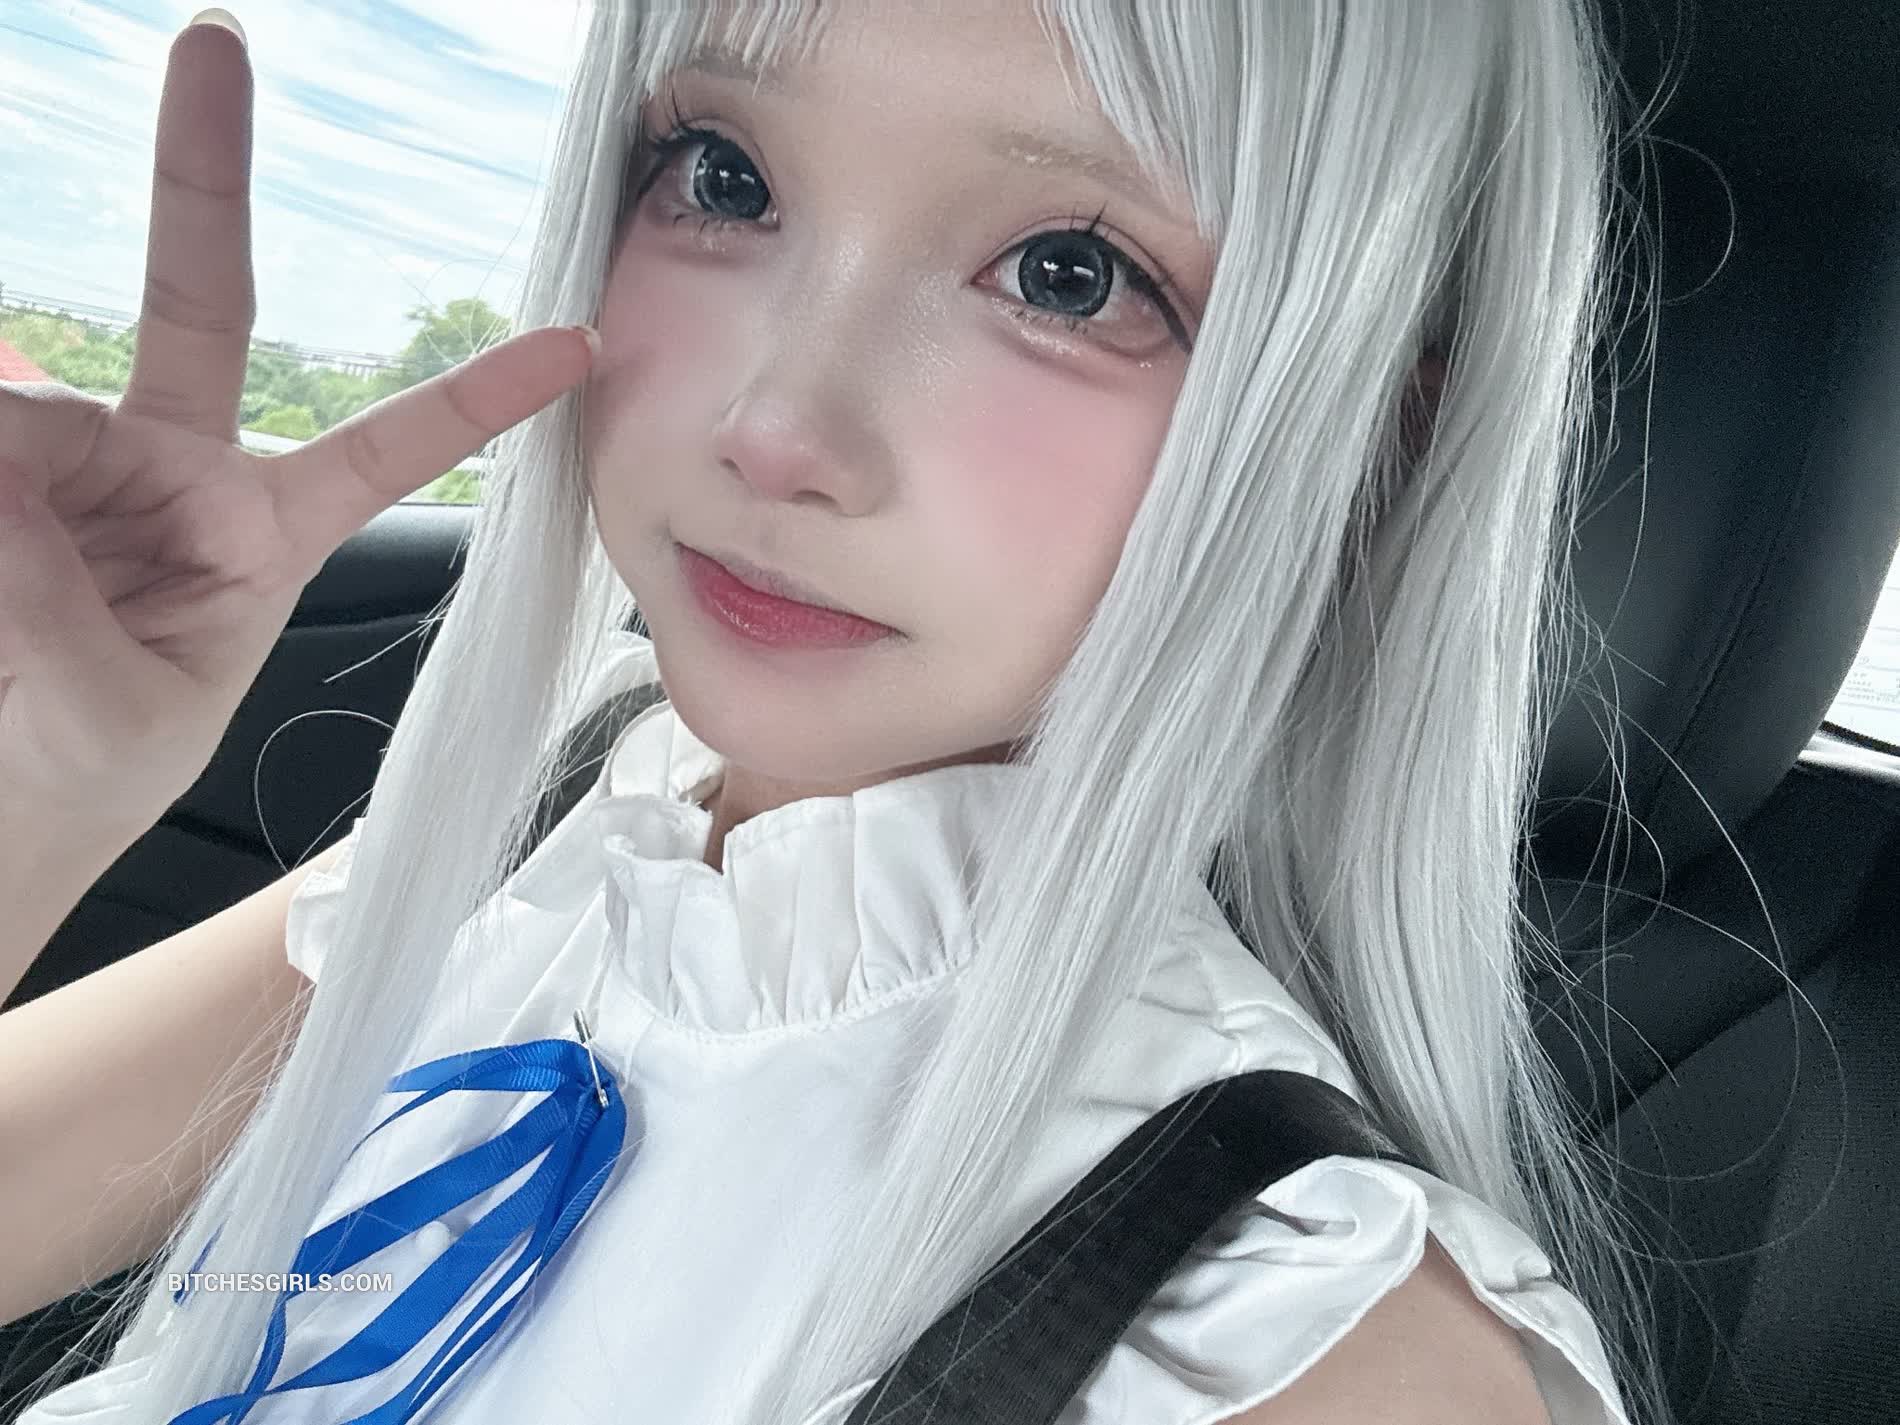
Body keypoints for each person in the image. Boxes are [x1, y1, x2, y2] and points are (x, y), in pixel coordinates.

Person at [0, 1, 1675, 1422]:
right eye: (723, 177)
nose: (777, 423)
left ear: (1366, 445)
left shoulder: (1312, 1341)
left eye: (1072, 276)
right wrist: (41, 801)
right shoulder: (568, 816)